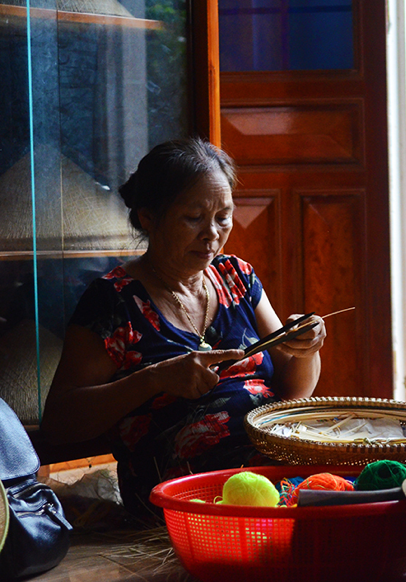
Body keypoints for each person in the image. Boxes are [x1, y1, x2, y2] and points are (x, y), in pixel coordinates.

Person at [40, 138, 326, 517]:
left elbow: (295, 387)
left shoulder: (236, 277)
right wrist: (156, 379)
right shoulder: (113, 301)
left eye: (223, 216)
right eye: (193, 218)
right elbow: (60, 423)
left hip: (270, 466)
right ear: (149, 218)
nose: (212, 233)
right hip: (183, 495)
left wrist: (306, 347)